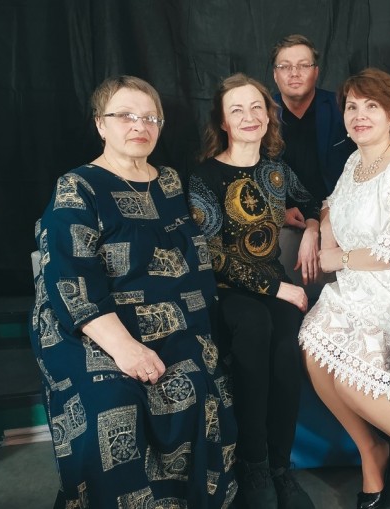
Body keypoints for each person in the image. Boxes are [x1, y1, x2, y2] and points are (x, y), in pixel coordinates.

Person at [29, 75, 236, 508]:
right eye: (125, 115)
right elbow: (68, 277)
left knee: (198, 387)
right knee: (113, 404)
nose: (140, 125)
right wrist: (125, 348)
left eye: (150, 118)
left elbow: (196, 254)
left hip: (175, 317)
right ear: (100, 124)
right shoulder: (78, 187)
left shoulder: (170, 182)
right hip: (94, 326)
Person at [298, 68, 390, 509]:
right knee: (313, 350)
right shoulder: (355, 162)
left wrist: (337, 259)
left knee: (351, 380)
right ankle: (372, 450)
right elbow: (332, 203)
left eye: (372, 106)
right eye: (352, 106)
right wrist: (320, 227)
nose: (359, 115)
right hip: (359, 283)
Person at [187, 73, 319, 509]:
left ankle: (280, 468)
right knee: (255, 325)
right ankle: (253, 464)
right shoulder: (204, 177)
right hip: (227, 290)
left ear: (268, 116)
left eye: (256, 107)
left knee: (285, 352)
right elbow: (211, 255)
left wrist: (312, 228)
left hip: (273, 284)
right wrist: (277, 288)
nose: (249, 117)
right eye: (237, 110)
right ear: (223, 122)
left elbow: (313, 201)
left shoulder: (276, 170)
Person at [270, 34, 355, 297]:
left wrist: (319, 224)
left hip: (339, 218)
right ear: (275, 75)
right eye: (285, 66)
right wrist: (277, 213)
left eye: (303, 65)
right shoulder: (262, 114)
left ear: (316, 72)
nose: (294, 73)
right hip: (286, 221)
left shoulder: (342, 108)